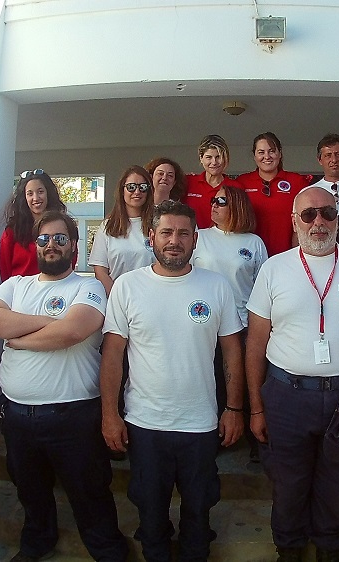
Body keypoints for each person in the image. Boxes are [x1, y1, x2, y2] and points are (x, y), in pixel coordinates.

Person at [246, 186, 339, 562]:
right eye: (308, 215)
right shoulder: (273, 269)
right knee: (288, 482)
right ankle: (289, 548)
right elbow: (256, 342)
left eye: (327, 213)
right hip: (287, 396)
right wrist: (256, 407)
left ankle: (329, 547)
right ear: (294, 221)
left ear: (338, 218)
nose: (319, 222)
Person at [100, 200, 245, 562]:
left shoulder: (216, 286)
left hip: (200, 424)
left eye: (183, 233)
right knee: (151, 516)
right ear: (151, 237)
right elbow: (113, 356)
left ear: (195, 239)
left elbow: (232, 351)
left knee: (199, 513)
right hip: (145, 424)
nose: (174, 241)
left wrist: (234, 408)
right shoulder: (127, 287)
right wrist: (109, 415)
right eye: (166, 232)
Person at [0, 210, 129, 562]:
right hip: (17, 417)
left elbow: (72, 331)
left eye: (60, 239)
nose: (51, 245)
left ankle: (108, 551)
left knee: (90, 493)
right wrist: (52, 322)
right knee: (30, 491)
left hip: (74, 418)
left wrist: (19, 339)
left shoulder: (88, 287)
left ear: (74, 246)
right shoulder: (14, 285)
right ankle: (37, 542)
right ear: (35, 245)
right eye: (44, 239)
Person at [191, 185, 268, 459]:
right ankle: (215, 436)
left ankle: (256, 438)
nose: (214, 204)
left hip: (244, 324)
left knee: (249, 381)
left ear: (237, 205)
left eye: (221, 201)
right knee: (212, 380)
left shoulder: (254, 243)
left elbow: (262, 287)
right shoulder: (198, 237)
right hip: (204, 322)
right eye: (213, 200)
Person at [237, 131, 313, 256]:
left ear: (280, 154)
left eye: (271, 151)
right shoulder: (242, 182)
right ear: (254, 155)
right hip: (249, 256)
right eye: (261, 152)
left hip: (288, 256)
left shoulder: (297, 181)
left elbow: (308, 219)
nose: (267, 156)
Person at [89, 165, 156, 296]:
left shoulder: (158, 224)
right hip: (117, 298)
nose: (137, 192)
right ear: (122, 190)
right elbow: (100, 271)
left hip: (153, 296)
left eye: (143, 187)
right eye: (131, 187)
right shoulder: (107, 226)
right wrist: (117, 298)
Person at [0, 168, 69, 281]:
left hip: (57, 288)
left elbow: (70, 261)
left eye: (40, 192)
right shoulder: (12, 232)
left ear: (48, 193)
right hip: (20, 290)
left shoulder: (64, 228)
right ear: (24, 198)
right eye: (30, 194)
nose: (36, 198)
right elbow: (5, 272)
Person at [186, 134, 234, 229]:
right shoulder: (188, 182)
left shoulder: (235, 187)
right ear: (201, 158)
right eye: (209, 157)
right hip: (191, 238)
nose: (214, 162)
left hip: (224, 237)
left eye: (218, 157)